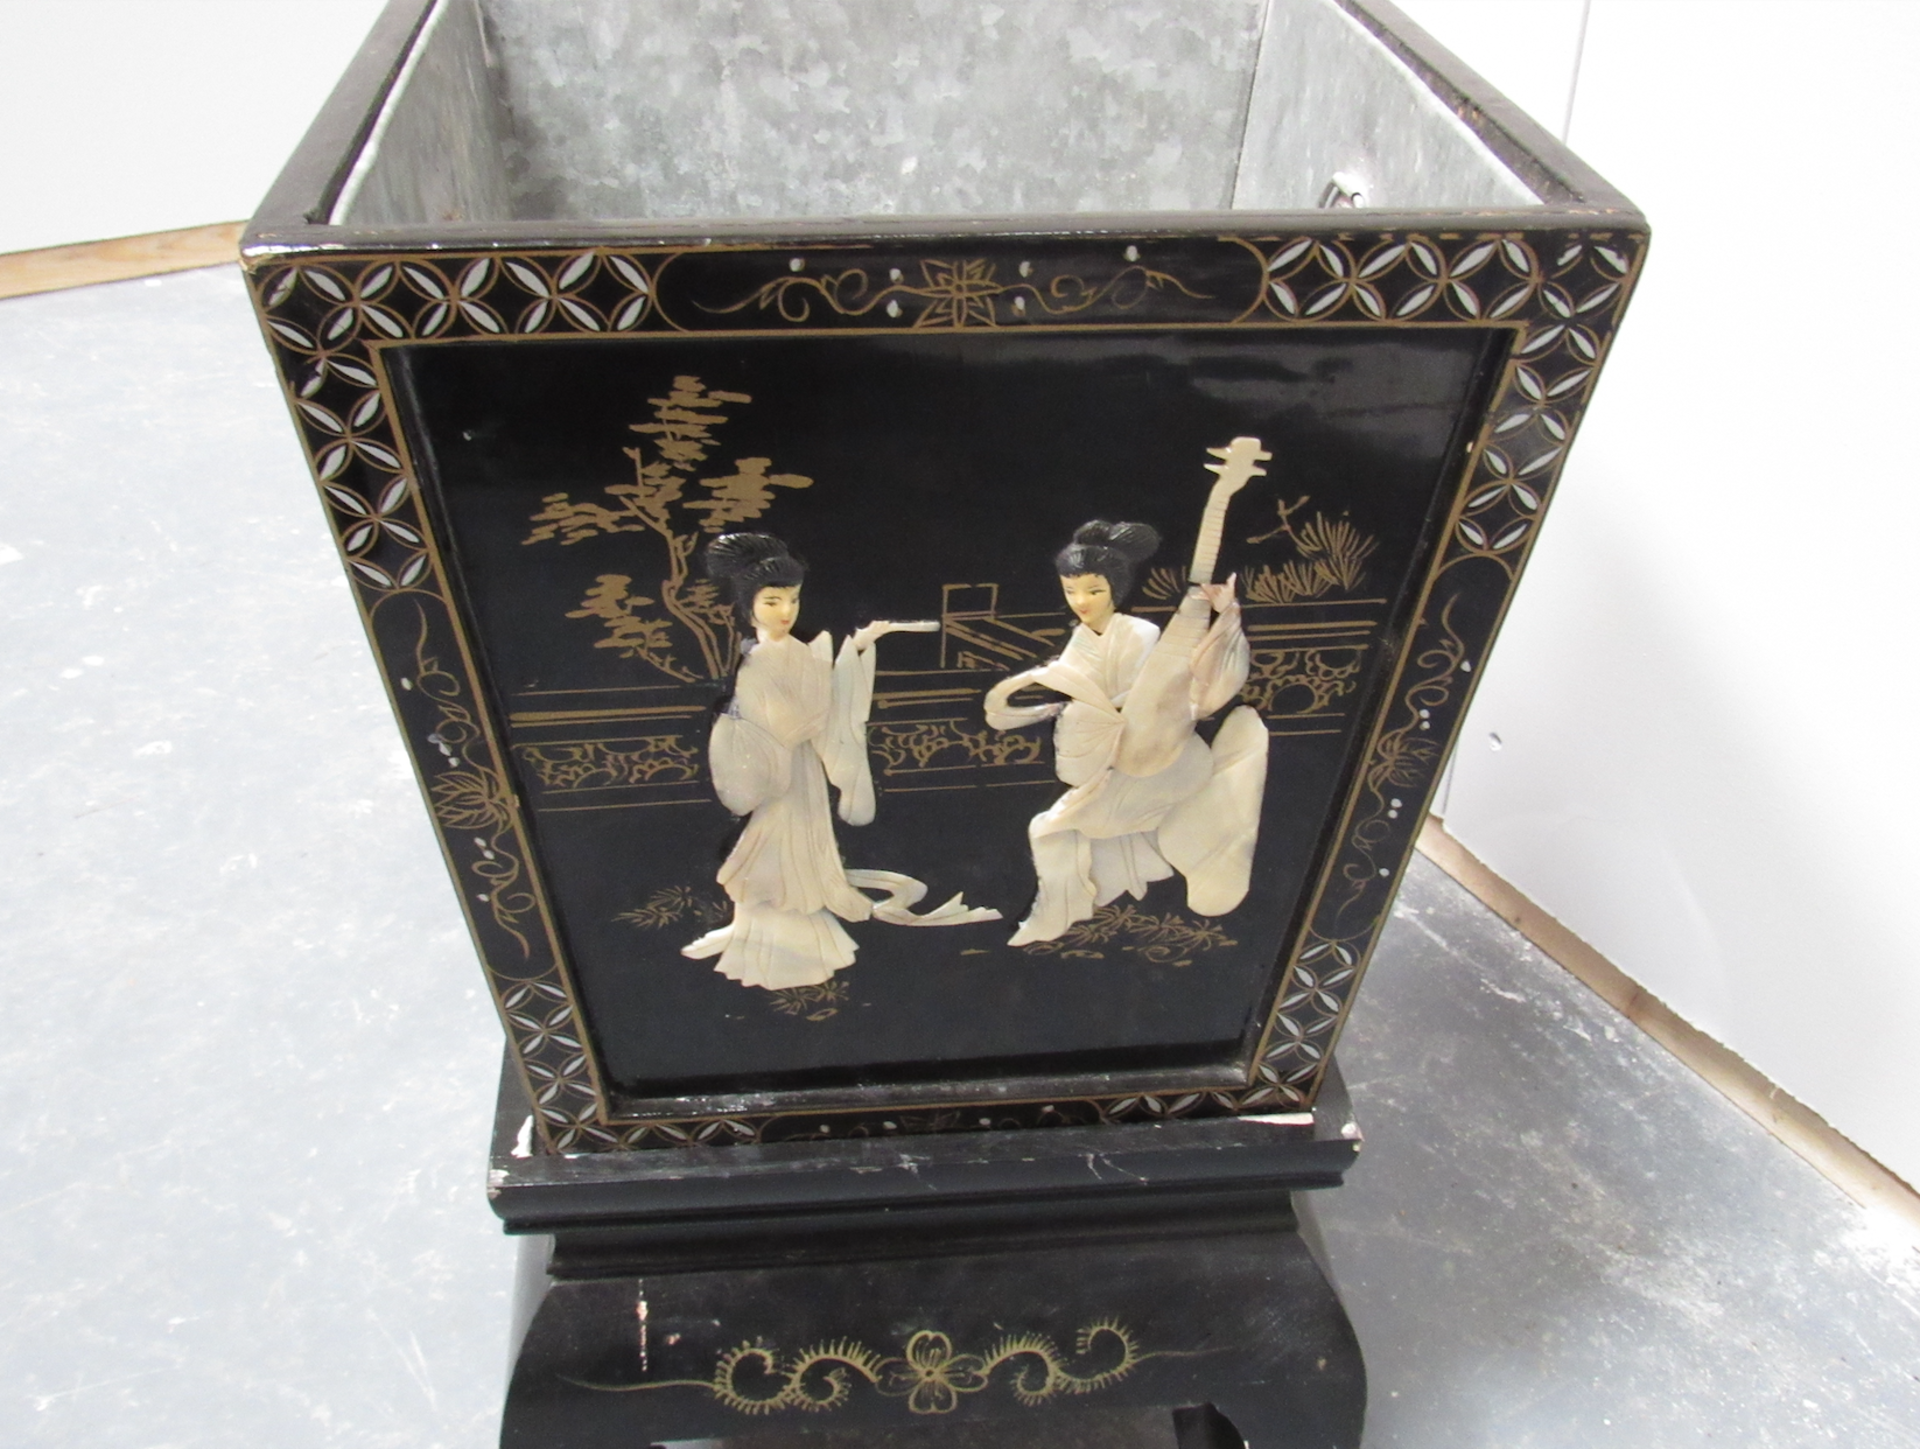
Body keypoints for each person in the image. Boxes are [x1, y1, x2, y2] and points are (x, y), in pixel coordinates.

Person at [683, 533, 998, 989]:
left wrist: (860, 648)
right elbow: (797, 717)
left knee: (798, 847)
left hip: (802, 767)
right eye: (772, 601)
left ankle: (768, 930)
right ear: (748, 605)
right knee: (769, 846)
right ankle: (756, 931)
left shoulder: (799, 650)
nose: (786, 611)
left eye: (792, 599)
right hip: (776, 769)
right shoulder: (758, 660)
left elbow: (825, 701)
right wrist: (812, 709)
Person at [984, 520, 1269, 946]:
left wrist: (1072, 690)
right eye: (1071, 591)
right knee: (1051, 830)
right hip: (1120, 761)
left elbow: (1144, 695)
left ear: (1114, 590)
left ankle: (1060, 912)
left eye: (1094, 591)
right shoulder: (1082, 637)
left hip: (1161, 757)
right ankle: (1065, 908)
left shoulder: (1140, 632)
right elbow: (1075, 684)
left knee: (1051, 829)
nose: (1081, 602)